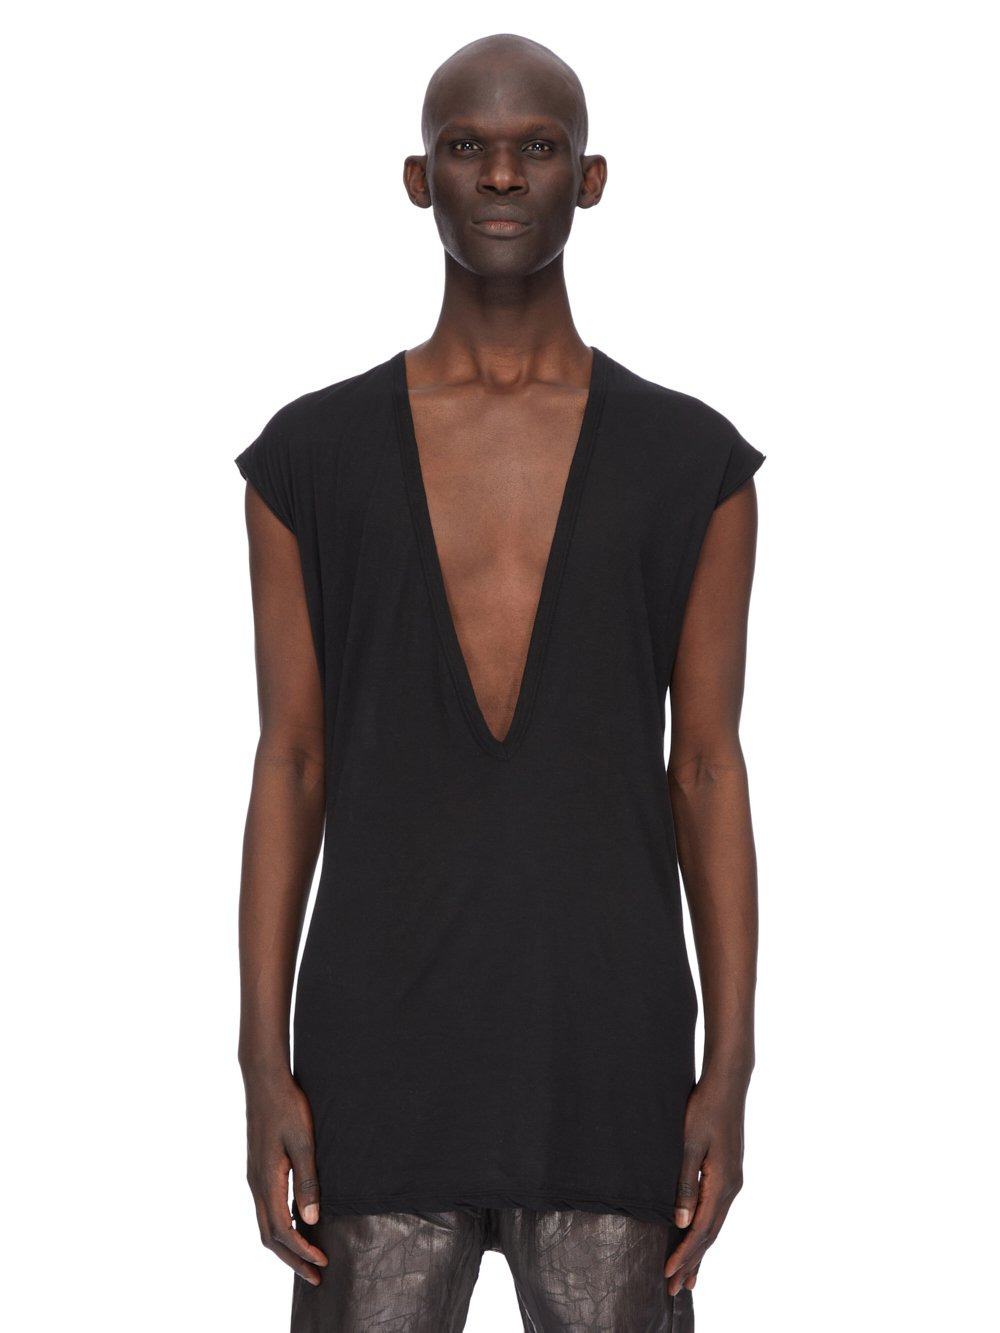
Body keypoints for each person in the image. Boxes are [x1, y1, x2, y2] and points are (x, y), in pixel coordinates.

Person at [235, 31, 764, 1333]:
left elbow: (706, 767)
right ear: (420, 179)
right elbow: (290, 760)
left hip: (609, 1059)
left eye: (539, 146)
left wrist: (731, 1064)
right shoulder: (309, 459)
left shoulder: (692, 463)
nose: (505, 175)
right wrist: (260, 1058)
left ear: (591, 178)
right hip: (375, 1063)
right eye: (468, 146)